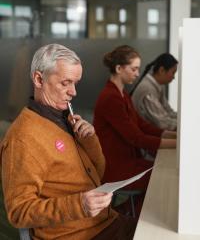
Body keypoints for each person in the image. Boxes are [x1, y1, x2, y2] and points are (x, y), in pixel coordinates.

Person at [0, 44, 136, 240]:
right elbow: (19, 212)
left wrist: (90, 141)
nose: (73, 92)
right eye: (65, 83)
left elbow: (99, 173)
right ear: (39, 79)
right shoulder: (22, 138)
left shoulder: (65, 120)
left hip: (103, 222)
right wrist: (79, 205)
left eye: (75, 83)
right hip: (77, 234)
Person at [93, 45, 176, 216]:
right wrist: (177, 143)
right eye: (134, 69)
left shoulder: (122, 94)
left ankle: (125, 215)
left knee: (162, 173)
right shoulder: (111, 97)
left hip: (128, 160)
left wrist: (172, 136)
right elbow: (136, 138)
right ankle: (129, 219)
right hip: (116, 166)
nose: (138, 74)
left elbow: (142, 125)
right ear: (118, 68)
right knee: (161, 176)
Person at [131, 53, 178, 131]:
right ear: (162, 70)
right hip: (143, 136)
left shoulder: (158, 86)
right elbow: (163, 123)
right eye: (173, 72)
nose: (174, 77)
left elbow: (168, 112)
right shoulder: (147, 89)